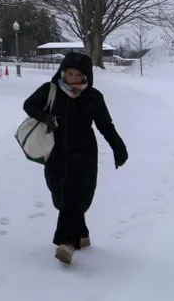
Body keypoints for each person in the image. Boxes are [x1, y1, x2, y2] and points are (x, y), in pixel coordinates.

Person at [22, 51, 128, 265]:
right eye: (69, 73)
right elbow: (29, 105)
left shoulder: (93, 97)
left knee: (73, 195)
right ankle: (82, 234)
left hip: (84, 153)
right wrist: (46, 117)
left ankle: (66, 244)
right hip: (55, 151)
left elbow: (105, 125)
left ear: (86, 76)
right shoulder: (50, 90)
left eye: (78, 75)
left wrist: (118, 148)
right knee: (60, 197)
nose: (73, 79)